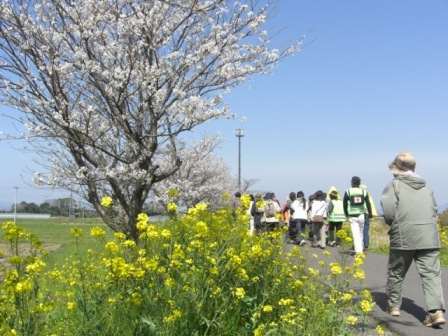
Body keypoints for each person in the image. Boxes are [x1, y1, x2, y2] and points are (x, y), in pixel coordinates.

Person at [381, 151, 445, 327]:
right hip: (429, 235)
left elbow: (388, 211)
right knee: (431, 274)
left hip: (404, 235)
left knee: (396, 271)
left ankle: (394, 305)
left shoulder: (394, 186)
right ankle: (435, 311)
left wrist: (393, 225)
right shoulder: (427, 187)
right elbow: (433, 208)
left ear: (397, 169)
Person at [343, 176, 372, 254]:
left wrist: (346, 213)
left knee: (355, 234)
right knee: (361, 233)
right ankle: (360, 249)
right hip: (362, 215)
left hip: (352, 215)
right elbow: (368, 204)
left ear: (352, 183)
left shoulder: (348, 191)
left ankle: (358, 252)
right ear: (359, 183)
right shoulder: (363, 192)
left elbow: (345, 204)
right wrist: (370, 215)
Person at [360, 184, 371, 253]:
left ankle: (357, 246)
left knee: (359, 230)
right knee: (365, 231)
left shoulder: (360, 197)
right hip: (367, 214)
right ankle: (366, 246)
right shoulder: (368, 196)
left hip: (361, 213)